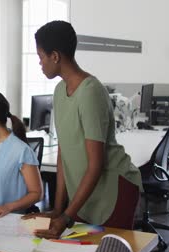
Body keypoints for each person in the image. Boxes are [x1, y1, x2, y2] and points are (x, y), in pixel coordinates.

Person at [22, 21, 142, 238]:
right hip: (84, 193)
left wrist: (66, 217)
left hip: (113, 190)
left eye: (41, 56)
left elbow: (95, 165)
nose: (39, 63)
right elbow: (63, 154)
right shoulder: (59, 91)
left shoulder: (90, 92)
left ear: (55, 56)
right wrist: (58, 210)